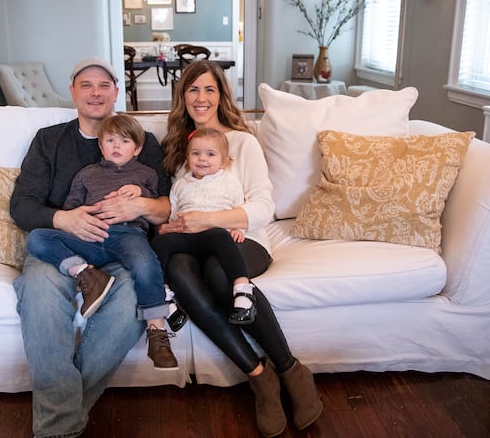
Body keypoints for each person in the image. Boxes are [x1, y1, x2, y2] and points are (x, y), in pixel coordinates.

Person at [154, 60, 323, 437]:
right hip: (191, 240)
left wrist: (213, 221)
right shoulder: (178, 148)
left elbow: (265, 206)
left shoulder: (242, 143)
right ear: (182, 96)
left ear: (221, 95)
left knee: (217, 273)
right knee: (180, 273)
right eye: (193, 89)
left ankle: (290, 368)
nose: (201, 97)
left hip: (242, 240)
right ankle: (258, 375)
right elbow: (175, 202)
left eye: (209, 89)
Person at [10, 58, 172, 437]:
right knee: (37, 290)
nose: (95, 92)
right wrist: (64, 219)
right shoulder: (50, 141)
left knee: (135, 294)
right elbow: (21, 205)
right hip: (62, 249)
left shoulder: (143, 142)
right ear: (73, 92)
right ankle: (63, 424)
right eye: (86, 84)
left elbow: (167, 206)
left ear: (116, 92)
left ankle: (57, 424)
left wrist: (141, 206)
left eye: (104, 85)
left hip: (120, 249)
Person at [25, 113, 178, 370]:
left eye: (125, 141)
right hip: (89, 237)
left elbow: (158, 205)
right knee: (37, 238)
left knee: (145, 263)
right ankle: (86, 273)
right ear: (100, 145)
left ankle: (156, 330)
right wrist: (75, 218)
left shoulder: (146, 174)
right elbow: (71, 208)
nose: (117, 146)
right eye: (110, 140)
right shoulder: (86, 174)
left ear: (138, 148)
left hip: (128, 236)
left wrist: (140, 194)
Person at [152, 127, 258, 325]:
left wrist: (238, 230)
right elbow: (175, 212)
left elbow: (238, 208)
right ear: (188, 157)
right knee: (160, 243)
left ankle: (242, 288)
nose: (202, 159)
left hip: (213, 234)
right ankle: (164, 294)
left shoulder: (229, 182)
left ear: (224, 161)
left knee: (220, 235)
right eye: (196, 153)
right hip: (186, 235)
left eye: (210, 154)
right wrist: (170, 227)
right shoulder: (181, 184)